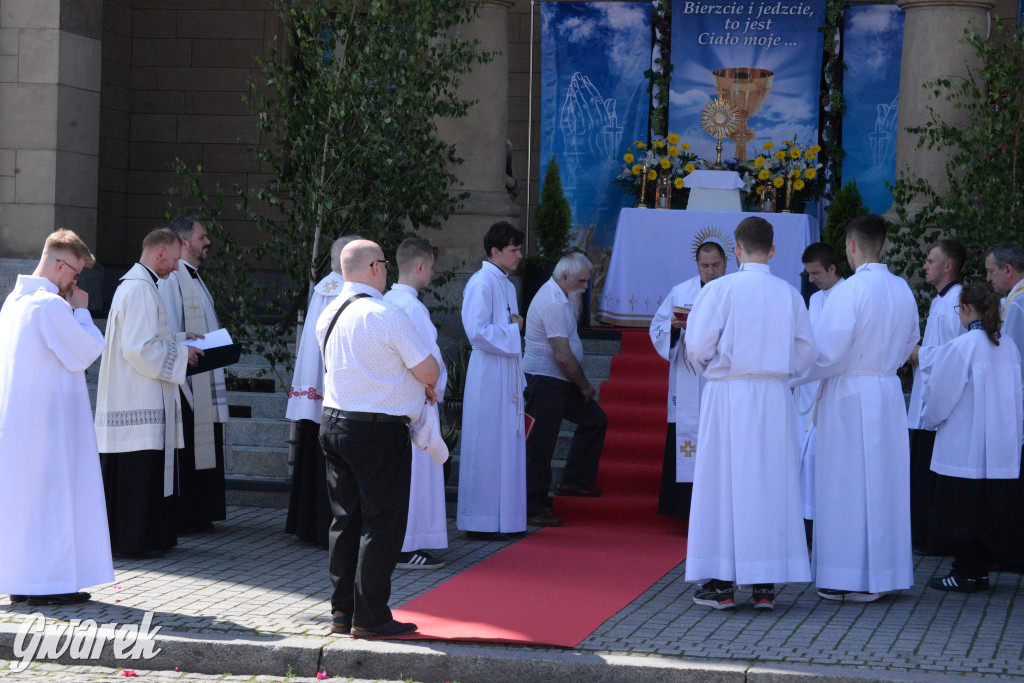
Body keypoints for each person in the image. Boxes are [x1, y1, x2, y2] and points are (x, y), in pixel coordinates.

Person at [684, 216, 815, 610]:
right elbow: (806, 352)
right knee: (769, 484)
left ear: (737, 250)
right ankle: (763, 585)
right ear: (773, 251)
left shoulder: (720, 290)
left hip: (729, 394)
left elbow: (696, 345)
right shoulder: (789, 293)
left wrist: (717, 373)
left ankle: (722, 584)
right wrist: (779, 377)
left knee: (723, 484)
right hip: (773, 397)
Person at [317, 239, 439, 638]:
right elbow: (429, 370)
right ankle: (370, 616)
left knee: (345, 521)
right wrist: (420, 382)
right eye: (384, 264)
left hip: (334, 423)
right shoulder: (385, 313)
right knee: (381, 523)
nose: (387, 271)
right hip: (376, 429)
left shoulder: (328, 311)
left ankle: (341, 612)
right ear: (373, 268)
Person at [800, 215, 919, 602]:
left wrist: (786, 375)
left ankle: (848, 576)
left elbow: (826, 353)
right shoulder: (902, 289)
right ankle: (884, 573)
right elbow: (910, 344)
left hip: (849, 393)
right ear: (880, 246)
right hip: (885, 391)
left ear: (851, 247)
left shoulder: (850, 292)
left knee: (845, 485)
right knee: (883, 483)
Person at [0, 230, 113, 606]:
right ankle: (52, 584)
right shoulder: (49, 306)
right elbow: (86, 350)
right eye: (76, 274)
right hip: (50, 425)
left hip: (19, 422)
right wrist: (81, 309)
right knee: (53, 504)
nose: (75, 283)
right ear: (60, 265)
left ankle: (23, 581)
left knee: (25, 507)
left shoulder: (13, 303)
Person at [95, 228, 203, 558]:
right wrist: (182, 354)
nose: (174, 267)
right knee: (137, 476)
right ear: (159, 254)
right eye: (173, 260)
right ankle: (135, 541)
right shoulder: (140, 289)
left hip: (133, 395)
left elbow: (150, 337)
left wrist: (181, 338)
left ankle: (145, 538)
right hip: (136, 399)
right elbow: (139, 348)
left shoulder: (138, 286)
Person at [920, 283, 1023, 592]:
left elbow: (940, 393)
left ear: (965, 310)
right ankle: (978, 571)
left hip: (964, 445)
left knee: (961, 514)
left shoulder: (962, 346)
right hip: (998, 446)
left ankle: (966, 571)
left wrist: (929, 419)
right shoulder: (1007, 346)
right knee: (986, 512)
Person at [285, 234, 361, 547]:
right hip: (329, 384)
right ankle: (320, 526)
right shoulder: (334, 289)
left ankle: (314, 525)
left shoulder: (331, 287)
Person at [523, 251, 607, 528]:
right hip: (545, 381)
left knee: (595, 420)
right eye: (582, 282)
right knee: (540, 445)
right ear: (565, 277)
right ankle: (533, 507)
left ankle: (574, 481)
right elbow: (562, 355)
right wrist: (584, 385)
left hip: (557, 381)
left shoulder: (560, 296)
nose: (585, 287)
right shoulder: (553, 303)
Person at [457, 221, 528, 538]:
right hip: (487, 374)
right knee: (485, 444)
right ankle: (480, 520)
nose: (519, 255)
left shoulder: (508, 284)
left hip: (506, 371)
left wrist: (514, 327)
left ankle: (506, 519)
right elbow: (476, 331)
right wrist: (514, 329)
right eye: (513, 250)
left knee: (507, 444)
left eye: (519, 249)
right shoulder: (481, 282)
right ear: (495, 251)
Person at [158, 216, 229, 532]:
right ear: (184, 242)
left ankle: (201, 511)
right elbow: (170, 329)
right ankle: (187, 513)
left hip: (203, 374)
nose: (207, 242)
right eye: (202, 237)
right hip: (186, 381)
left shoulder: (195, 278)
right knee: (189, 448)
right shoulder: (172, 280)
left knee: (206, 443)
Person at [649, 241, 727, 519]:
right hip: (688, 381)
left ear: (725, 263)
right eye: (705, 266)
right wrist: (672, 327)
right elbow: (656, 326)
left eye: (715, 265)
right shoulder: (681, 291)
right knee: (687, 442)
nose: (710, 271)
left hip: (720, 381)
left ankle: (718, 513)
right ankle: (684, 511)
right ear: (697, 265)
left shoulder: (734, 291)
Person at [383, 237, 449, 568]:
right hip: (416, 403)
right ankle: (408, 544)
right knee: (417, 477)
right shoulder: (412, 307)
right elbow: (427, 359)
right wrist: (434, 387)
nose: (433, 274)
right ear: (420, 266)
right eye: (432, 267)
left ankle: (403, 542)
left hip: (396, 402)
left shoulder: (387, 300)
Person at [905, 239, 966, 551]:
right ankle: (921, 534)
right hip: (925, 396)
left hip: (940, 402)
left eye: (931, 261)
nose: (925, 266)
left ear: (948, 267)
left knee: (931, 472)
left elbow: (958, 353)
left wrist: (919, 354)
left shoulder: (958, 302)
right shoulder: (939, 301)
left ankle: (933, 537)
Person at [794, 242, 845, 540]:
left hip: (833, 386)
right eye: (807, 273)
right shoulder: (815, 300)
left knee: (818, 457)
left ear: (832, 268)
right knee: (803, 457)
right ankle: (805, 522)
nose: (810, 279)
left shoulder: (848, 296)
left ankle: (822, 524)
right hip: (808, 386)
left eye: (815, 273)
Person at [983, 242, 1024, 568]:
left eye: (991, 271)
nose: (989, 278)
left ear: (1008, 271)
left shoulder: (1019, 304)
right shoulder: (1015, 300)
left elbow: (1012, 361)